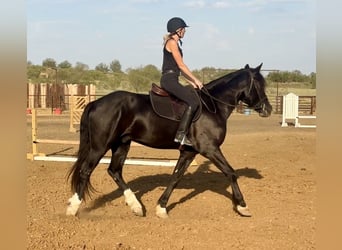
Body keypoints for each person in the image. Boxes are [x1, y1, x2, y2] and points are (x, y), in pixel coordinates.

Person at [160, 17, 203, 146]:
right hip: (169, 80)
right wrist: (196, 79)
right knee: (194, 102)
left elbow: (178, 70)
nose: (185, 31)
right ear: (177, 30)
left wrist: (192, 82)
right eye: (183, 29)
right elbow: (181, 66)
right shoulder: (172, 42)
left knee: (191, 95)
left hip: (173, 78)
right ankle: (181, 134)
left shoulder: (175, 43)